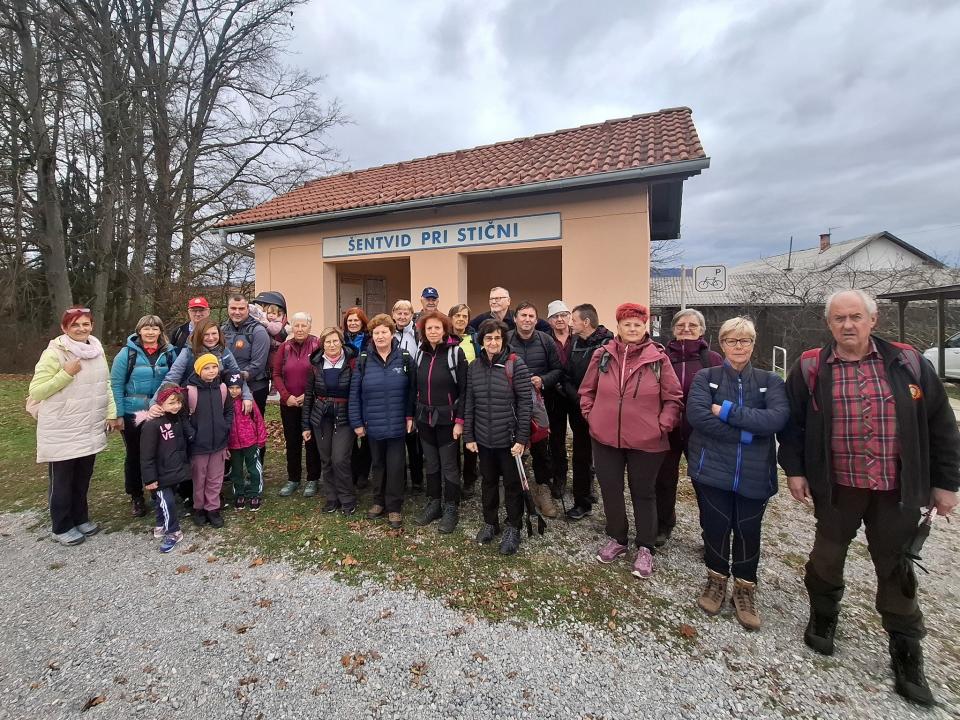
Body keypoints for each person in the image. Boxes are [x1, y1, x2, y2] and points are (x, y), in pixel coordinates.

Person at [778, 289, 960, 707]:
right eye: (839, 318)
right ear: (829, 324)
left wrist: (946, 483)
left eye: (855, 317)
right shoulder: (811, 367)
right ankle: (823, 617)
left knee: (896, 565)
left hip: (897, 489)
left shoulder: (908, 363)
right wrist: (796, 471)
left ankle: (906, 649)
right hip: (837, 486)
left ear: (872, 320)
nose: (848, 325)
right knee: (827, 554)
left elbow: (941, 425)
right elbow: (793, 426)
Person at [686, 317, 789, 630]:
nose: (739, 346)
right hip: (712, 468)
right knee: (715, 525)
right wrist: (747, 433)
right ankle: (716, 580)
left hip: (754, 472)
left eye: (745, 341)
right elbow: (699, 416)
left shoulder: (770, 381)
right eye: (732, 341)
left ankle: (744, 588)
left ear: (753, 344)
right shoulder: (707, 377)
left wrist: (727, 411)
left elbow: (775, 419)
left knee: (748, 529)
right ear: (722, 344)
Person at [579, 302, 683, 579]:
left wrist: (662, 425)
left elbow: (673, 398)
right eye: (627, 324)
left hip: (647, 440)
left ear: (644, 327)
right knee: (610, 489)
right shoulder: (602, 355)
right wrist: (591, 416)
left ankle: (646, 546)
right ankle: (617, 538)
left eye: (637, 324)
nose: (633, 329)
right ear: (619, 327)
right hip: (605, 438)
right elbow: (587, 390)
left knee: (644, 492)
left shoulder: (658, 358)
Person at [29, 307, 121, 546]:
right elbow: (37, 391)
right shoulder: (54, 353)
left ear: (92, 326)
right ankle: (61, 526)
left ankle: (80, 518)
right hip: (63, 426)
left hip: (89, 424)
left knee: (82, 477)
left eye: (85, 324)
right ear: (64, 328)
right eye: (75, 325)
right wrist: (66, 374)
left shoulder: (96, 350)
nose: (81, 329)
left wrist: (112, 413)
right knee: (62, 480)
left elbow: (105, 384)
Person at [653, 309, 723, 546]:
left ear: (702, 330)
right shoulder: (661, 357)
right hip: (668, 430)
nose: (686, 329)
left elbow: (722, 394)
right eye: (681, 325)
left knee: (705, 483)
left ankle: (710, 533)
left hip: (700, 432)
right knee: (664, 480)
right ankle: (663, 524)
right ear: (673, 329)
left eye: (692, 325)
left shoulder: (712, 360)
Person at [464, 319, 533, 555]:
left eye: (497, 338)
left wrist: (521, 439)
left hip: (509, 439)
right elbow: (470, 402)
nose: (493, 342)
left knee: (512, 485)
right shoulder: (474, 367)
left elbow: (525, 404)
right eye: (488, 338)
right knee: (488, 482)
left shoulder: (516, 364)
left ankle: (514, 527)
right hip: (484, 438)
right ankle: (490, 522)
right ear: (481, 341)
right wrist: (469, 435)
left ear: (503, 340)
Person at [349, 314, 415, 529]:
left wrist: (410, 416)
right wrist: (357, 422)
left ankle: (394, 506)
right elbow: (355, 393)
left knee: (395, 465)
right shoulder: (363, 360)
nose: (380, 336)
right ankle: (378, 501)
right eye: (376, 332)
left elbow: (413, 391)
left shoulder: (405, 358)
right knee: (378, 464)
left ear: (391, 333)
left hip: (397, 423)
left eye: (384, 332)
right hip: (373, 423)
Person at [110, 315, 177, 517]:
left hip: (160, 411)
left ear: (160, 331)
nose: (150, 332)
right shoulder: (127, 354)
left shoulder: (169, 353)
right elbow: (116, 385)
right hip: (133, 412)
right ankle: (136, 495)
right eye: (146, 328)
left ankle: (159, 490)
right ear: (139, 331)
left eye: (155, 328)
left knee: (161, 452)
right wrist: (118, 414)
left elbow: (174, 380)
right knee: (135, 454)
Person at [507, 302, 563, 519]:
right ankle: (514, 489)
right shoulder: (506, 339)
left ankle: (542, 488)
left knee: (541, 448)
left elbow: (558, 370)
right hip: (511, 403)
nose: (527, 319)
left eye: (531, 316)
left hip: (539, 404)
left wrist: (543, 380)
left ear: (536, 320)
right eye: (523, 315)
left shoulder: (546, 340)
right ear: (515, 318)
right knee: (513, 445)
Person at [414, 311, 468, 533]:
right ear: (424, 332)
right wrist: (412, 416)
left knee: (449, 465)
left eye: (437, 327)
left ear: (445, 330)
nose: (433, 331)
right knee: (432, 462)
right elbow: (414, 388)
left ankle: (451, 506)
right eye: (429, 328)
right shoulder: (420, 353)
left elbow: (465, 391)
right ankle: (434, 502)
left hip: (448, 419)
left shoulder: (456, 353)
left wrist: (460, 421)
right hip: (425, 418)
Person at [563, 303, 613, 520]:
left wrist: (593, 402)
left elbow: (610, 380)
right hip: (578, 409)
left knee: (607, 459)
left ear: (586, 322)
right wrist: (578, 398)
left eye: (573, 320)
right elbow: (566, 374)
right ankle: (582, 501)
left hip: (602, 411)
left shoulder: (609, 344)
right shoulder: (574, 343)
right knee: (581, 456)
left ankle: (612, 507)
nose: (570, 324)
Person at [303, 327, 358, 515]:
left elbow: (357, 393)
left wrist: (359, 420)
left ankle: (347, 498)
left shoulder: (352, 363)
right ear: (322, 345)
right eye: (328, 342)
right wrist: (305, 425)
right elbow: (308, 396)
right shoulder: (315, 364)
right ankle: (331, 497)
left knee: (340, 459)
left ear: (341, 342)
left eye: (335, 341)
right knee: (326, 459)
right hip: (321, 417)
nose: (332, 345)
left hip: (345, 417)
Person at [273, 312, 322, 498]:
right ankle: (293, 479)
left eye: (304, 325)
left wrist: (307, 396)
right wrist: (286, 396)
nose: (300, 329)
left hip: (311, 402)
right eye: (296, 325)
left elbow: (321, 373)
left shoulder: (317, 345)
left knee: (312, 442)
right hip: (289, 404)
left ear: (310, 327)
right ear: (291, 327)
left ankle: (313, 479)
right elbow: (276, 374)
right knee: (292, 441)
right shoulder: (284, 347)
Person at [138, 385, 192, 553]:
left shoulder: (177, 419)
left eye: (178, 402)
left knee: (163, 500)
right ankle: (173, 531)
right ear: (160, 403)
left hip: (173, 469)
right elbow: (146, 455)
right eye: (171, 403)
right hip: (159, 474)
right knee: (167, 502)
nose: (176, 406)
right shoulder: (152, 425)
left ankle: (161, 524)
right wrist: (150, 478)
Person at [186, 354, 234, 528]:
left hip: (219, 443)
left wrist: (225, 427)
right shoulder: (190, 391)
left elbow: (229, 410)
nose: (211, 371)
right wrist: (192, 434)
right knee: (199, 478)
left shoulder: (222, 388)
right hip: (199, 445)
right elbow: (183, 417)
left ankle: (212, 508)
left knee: (215, 478)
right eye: (206, 368)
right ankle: (199, 508)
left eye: (214, 367)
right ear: (198, 370)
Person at [221, 294, 271, 417]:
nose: (237, 312)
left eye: (241, 308)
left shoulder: (258, 331)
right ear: (228, 309)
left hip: (254, 387)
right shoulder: (222, 330)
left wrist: (237, 378)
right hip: (228, 387)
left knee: (251, 426)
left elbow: (258, 364)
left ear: (248, 309)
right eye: (233, 308)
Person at [449, 303, 479, 498]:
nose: (461, 319)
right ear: (451, 318)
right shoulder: (445, 338)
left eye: (464, 316)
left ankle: (469, 479)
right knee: (451, 440)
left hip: (471, 394)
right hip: (449, 395)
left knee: (470, 437)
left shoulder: (474, 339)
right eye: (457, 316)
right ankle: (453, 478)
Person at [392, 299, 422, 493]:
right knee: (397, 438)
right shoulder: (388, 331)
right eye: (399, 313)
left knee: (413, 437)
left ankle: (417, 479)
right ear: (393, 314)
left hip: (414, 387)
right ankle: (400, 479)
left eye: (406, 313)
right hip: (394, 389)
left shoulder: (418, 333)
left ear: (412, 315)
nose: (402, 317)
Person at [225, 372, 267, 511]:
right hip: (233, 444)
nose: (234, 391)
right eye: (231, 388)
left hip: (250, 441)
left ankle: (255, 493)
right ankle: (239, 493)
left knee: (254, 469)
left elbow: (258, 420)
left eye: (237, 388)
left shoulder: (249, 401)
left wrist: (261, 439)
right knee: (236, 470)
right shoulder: (224, 403)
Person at [545, 300, 573, 499]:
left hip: (577, 394)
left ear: (569, 317)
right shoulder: (545, 339)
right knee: (556, 439)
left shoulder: (578, 338)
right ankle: (559, 477)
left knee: (583, 439)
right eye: (555, 316)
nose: (560, 319)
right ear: (549, 320)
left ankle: (587, 480)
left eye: (563, 315)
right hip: (554, 394)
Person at [342, 306, 371, 489]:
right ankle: (353, 470)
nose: (353, 323)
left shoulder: (369, 339)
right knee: (350, 434)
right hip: (346, 389)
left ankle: (363, 472)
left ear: (362, 322)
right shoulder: (341, 339)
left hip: (365, 388)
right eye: (350, 320)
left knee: (366, 434)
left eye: (356, 320)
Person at [468, 286, 551, 333]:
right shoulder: (482, 319)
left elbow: (547, 327)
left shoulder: (518, 317)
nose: (493, 302)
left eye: (497, 299)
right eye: (491, 299)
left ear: (508, 301)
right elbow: (467, 328)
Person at [252, 290, 288, 379]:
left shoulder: (280, 325)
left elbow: (277, 333)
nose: (263, 310)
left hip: (274, 356)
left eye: (265, 306)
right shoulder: (264, 319)